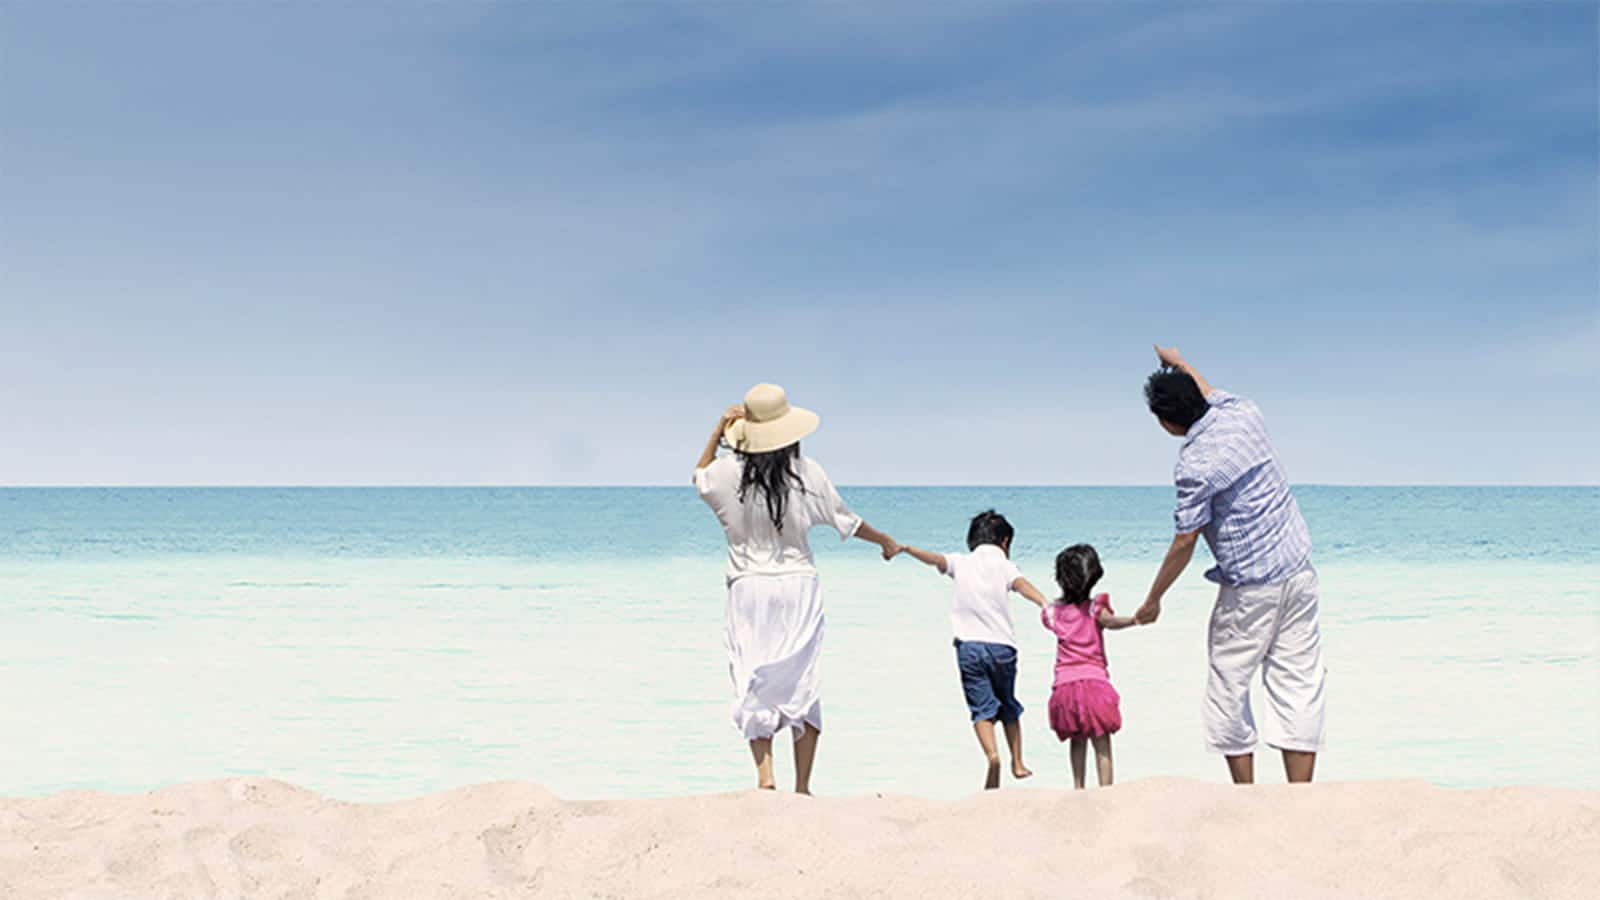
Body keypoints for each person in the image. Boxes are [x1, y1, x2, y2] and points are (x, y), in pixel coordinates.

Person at [694, 383, 900, 794]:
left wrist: (718, 430)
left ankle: (765, 777)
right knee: (802, 680)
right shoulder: (807, 472)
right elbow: (847, 520)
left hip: (749, 588)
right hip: (799, 586)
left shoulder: (726, 475)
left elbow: (699, 474)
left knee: (752, 675)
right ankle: (802, 787)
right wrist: (885, 541)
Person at [1135, 345, 1327, 784]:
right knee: (1298, 681)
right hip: (1299, 571)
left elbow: (1185, 539)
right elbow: (1207, 389)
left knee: (1228, 686)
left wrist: (1153, 599)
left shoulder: (1194, 466)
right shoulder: (1243, 413)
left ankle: (1246, 796)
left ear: (1166, 423)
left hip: (1250, 590)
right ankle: (1300, 796)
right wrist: (1179, 361)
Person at [895, 510, 1051, 790]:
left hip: (969, 647)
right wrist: (1044, 602)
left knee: (982, 709)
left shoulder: (961, 561)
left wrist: (907, 549)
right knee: (1009, 705)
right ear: (1005, 541)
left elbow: (934, 559)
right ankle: (1018, 763)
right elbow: (1021, 585)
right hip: (1003, 648)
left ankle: (992, 756)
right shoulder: (1005, 565)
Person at [1042, 544, 1139, 789]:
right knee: (1102, 742)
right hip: (1095, 684)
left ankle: (1078, 788)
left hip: (1065, 686)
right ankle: (1106, 791)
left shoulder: (1053, 613)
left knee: (1077, 740)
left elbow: (1047, 616)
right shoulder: (1096, 608)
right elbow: (1112, 622)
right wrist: (1135, 620)